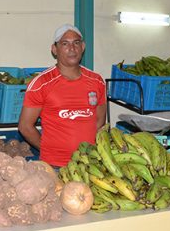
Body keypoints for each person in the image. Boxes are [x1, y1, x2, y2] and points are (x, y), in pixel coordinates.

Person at [18, 24, 107, 167]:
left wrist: (87, 152)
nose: (72, 48)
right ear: (54, 49)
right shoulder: (41, 83)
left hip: (89, 164)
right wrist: (50, 150)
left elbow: (99, 121)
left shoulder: (97, 81)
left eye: (76, 43)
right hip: (54, 165)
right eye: (65, 43)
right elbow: (25, 126)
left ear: (83, 47)